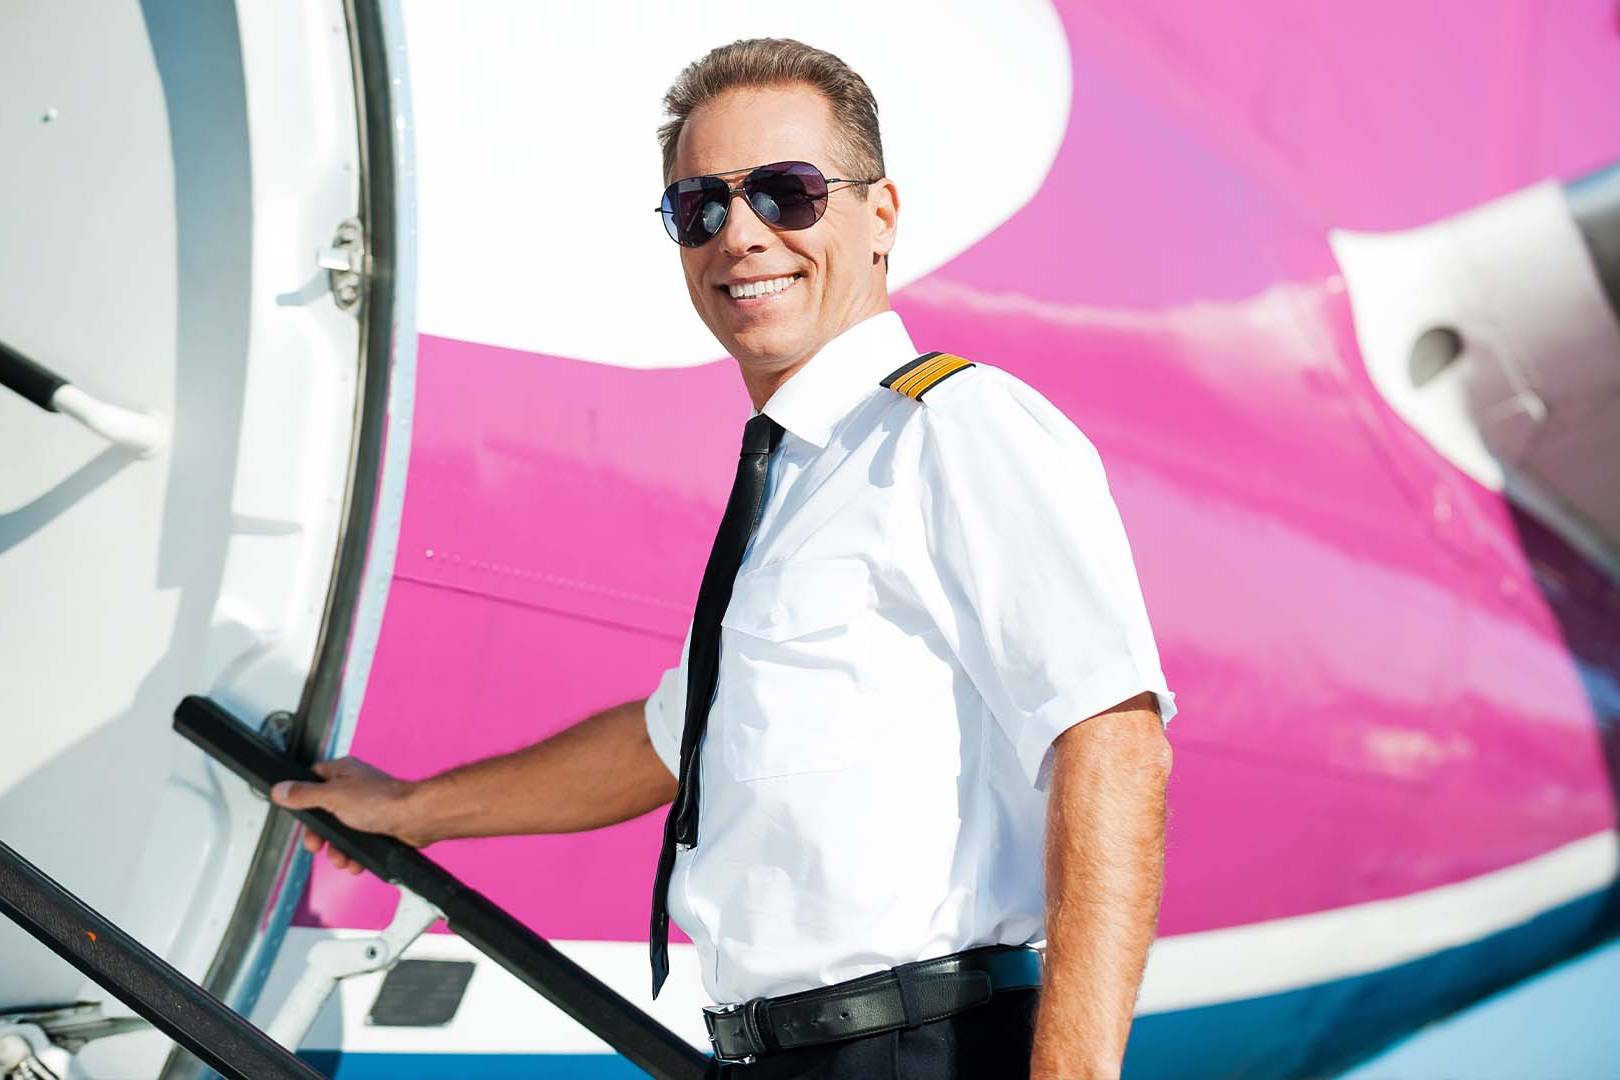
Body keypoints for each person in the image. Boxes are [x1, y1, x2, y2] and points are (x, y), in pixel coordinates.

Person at [272, 37, 1177, 1080]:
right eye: (700, 206)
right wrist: (412, 812)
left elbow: (1110, 738)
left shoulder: (954, 428)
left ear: (879, 217)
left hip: (921, 1048)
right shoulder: (798, 482)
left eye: (787, 194)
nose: (741, 236)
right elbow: (671, 741)